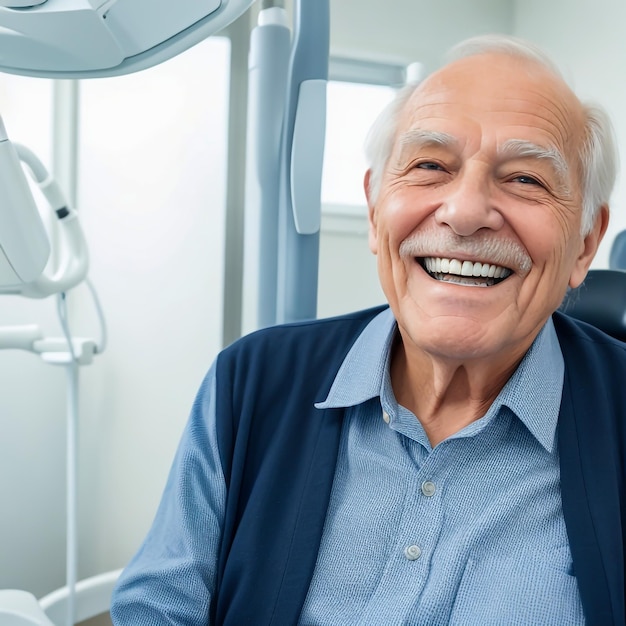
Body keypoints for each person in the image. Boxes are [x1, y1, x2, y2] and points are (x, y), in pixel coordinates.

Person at [110, 34, 625, 626]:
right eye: (430, 166)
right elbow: (158, 608)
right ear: (376, 210)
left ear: (585, 242)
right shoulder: (249, 380)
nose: (463, 212)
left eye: (527, 179)